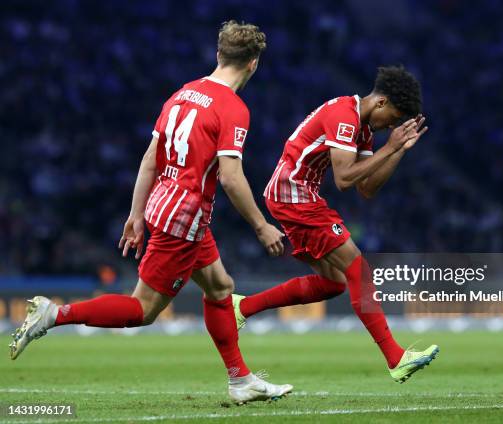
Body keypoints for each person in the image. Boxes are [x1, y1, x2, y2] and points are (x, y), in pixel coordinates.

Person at [9, 20, 292, 404]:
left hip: (165, 203)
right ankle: (54, 315)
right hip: (185, 218)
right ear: (254, 64)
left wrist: (136, 213)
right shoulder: (233, 108)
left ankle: (240, 379)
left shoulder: (183, 94)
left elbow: (149, 159)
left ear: (218, 54)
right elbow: (230, 177)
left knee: (221, 287)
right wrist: (261, 226)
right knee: (142, 310)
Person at [233, 66, 438, 383]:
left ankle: (242, 308)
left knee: (334, 283)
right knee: (359, 268)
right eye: (393, 118)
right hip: (293, 193)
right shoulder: (345, 116)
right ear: (381, 102)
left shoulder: (365, 127)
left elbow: (366, 187)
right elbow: (344, 179)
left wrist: (396, 151)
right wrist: (389, 147)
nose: (391, 126)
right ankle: (396, 358)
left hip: (296, 193)